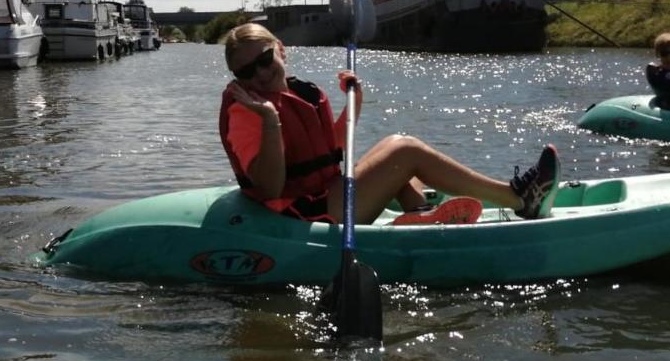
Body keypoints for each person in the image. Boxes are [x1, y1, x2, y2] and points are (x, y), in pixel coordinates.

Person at [219, 23, 559, 225]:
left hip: (325, 194)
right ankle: (518, 199)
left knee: (392, 146)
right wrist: (269, 120)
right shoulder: (247, 112)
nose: (260, 75)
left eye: (264, 60)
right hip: (302, 213)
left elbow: (330, 150)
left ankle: (421, 216)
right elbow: (269, 188)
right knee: (405, 151)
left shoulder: (302, 92)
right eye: (246, 72)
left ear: (280, 49)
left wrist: (355, 101)